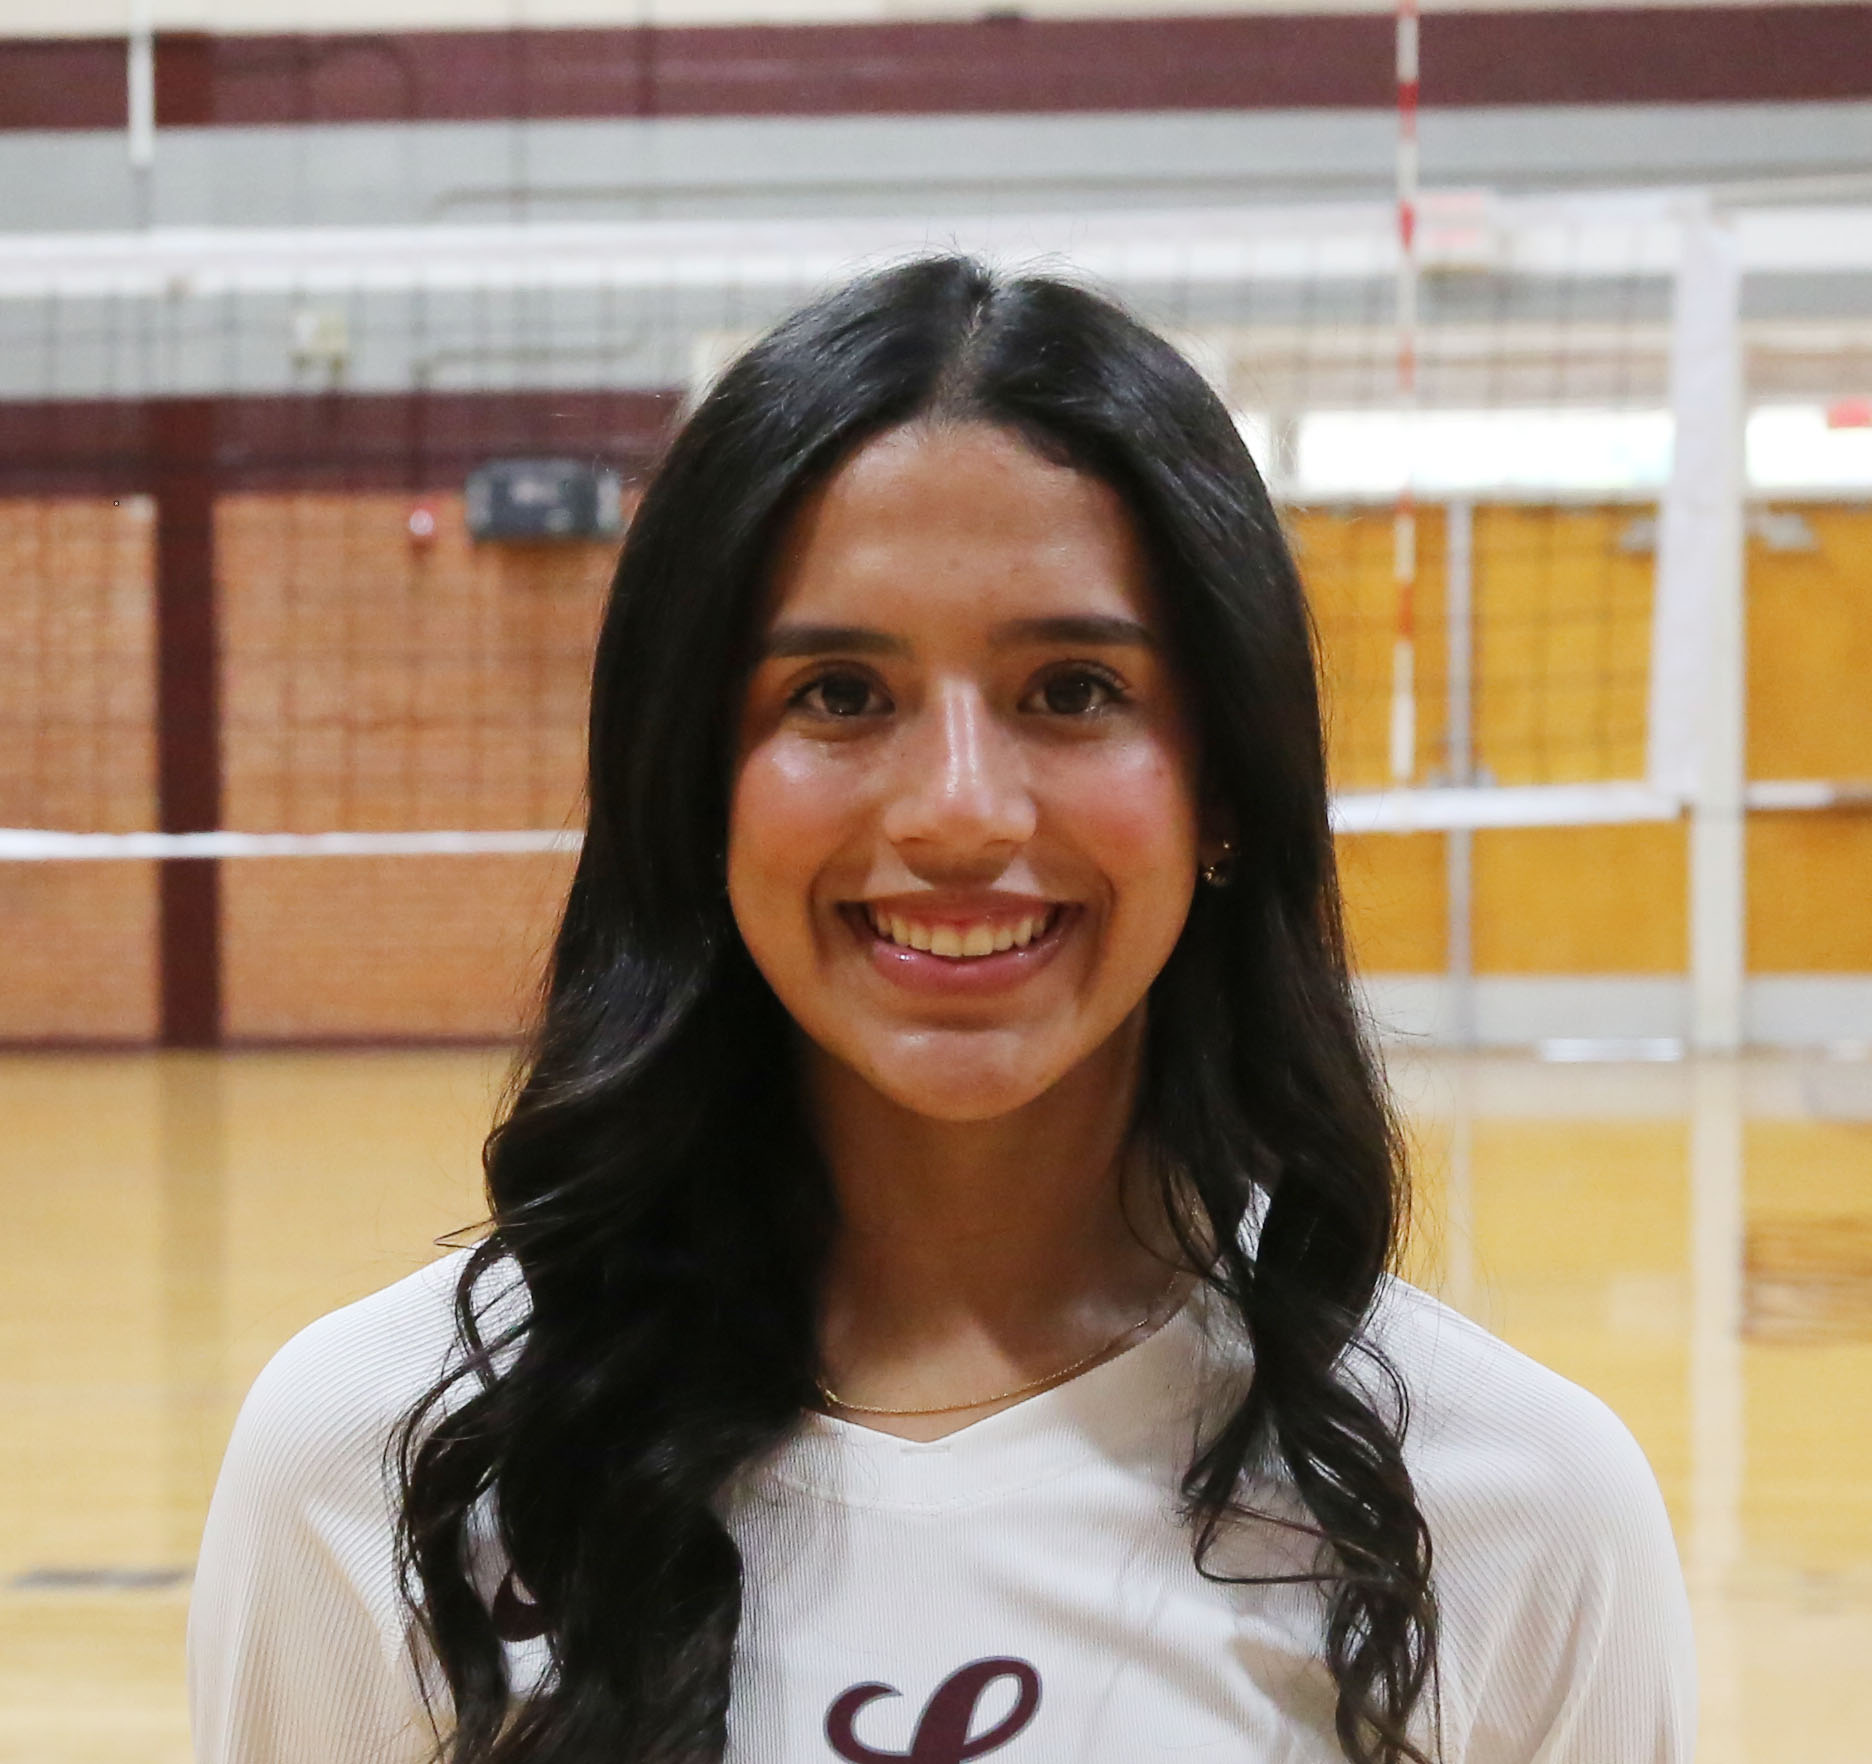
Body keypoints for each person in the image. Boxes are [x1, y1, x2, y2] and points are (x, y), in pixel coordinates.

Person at [188, 258, 1694, 1764]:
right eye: (839, 694)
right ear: (694, 785)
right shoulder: (381, 1460)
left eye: (1074, 689)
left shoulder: (1506, 1513)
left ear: (1225, 782)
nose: (962, 812)